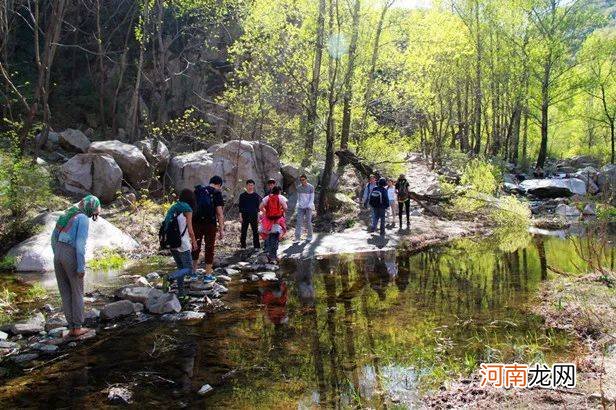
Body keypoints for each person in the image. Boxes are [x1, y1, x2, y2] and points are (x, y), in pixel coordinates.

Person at [51, 195, 101, 338]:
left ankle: (71, 327)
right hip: (70, 254)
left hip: (58, 254)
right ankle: (77, 328)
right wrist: (81, 267)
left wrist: (58, 255)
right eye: (94, 211)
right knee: (77, 291)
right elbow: (80, 245)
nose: (94, 214)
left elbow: (53, 238)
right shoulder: (83, 219)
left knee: (65, 292)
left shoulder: (67, 214)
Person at [163, 189, 198, 297]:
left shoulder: (174, 208)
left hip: (172, 243)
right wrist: (194, 242)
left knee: (180, 268)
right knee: (188, 269)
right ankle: (169, 277)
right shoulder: (187, 210)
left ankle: (181, 293)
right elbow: (191, 230)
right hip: (183, 244)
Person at [192, 176, 225, 275]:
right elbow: (219, 213)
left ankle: (193, 272)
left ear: (210, 182)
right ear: (219, 185)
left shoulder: (198, 190)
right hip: (210, 224)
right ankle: (208, 274)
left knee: (195, 246)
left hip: (196, 223)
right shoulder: (217, 193)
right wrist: (221, 229)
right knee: (209, 248)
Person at [259, 186, 288, 262]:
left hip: (268, 220)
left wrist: (266, 212)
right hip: (277, 220)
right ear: (279, 192)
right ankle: (273, 257)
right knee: (275, 238)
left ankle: (268, 254)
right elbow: (285, 207)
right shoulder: (280, 198)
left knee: (269, 236)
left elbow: (260, 207)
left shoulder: (267, 198)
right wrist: (281, 212)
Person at [239, 179, 262, 250]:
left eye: (252, 185)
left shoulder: (256, 196)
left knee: (255, 231)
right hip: (244, 215)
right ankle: (243, 246)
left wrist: (258, 217)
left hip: (254, 215)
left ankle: (257, 246)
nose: (250, 187)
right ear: (246, 186)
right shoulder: (242, 195)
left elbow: (258, 208)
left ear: (254, 186)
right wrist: (240, 217)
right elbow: (240, 207)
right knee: (243, 231)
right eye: (249, 185)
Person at [295, 174, 315, 242]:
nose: (302, 181)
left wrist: (309, 205)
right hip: (301, 207)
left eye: (303, 180)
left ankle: (309, 236)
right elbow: (298, 197)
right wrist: (298, 204)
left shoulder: (311, 187)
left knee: (308, 222)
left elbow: (312, 197)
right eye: (301, 180)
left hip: (308, 207)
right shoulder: (299, 188)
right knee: (299, 222)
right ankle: (297, 238)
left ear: (306, 179)